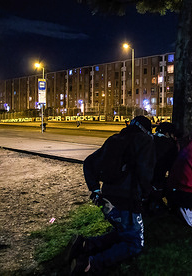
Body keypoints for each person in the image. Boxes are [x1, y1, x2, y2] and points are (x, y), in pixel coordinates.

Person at [67, 115, 156, 274]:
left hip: (107, 199)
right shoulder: (145, 141)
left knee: (123, 232)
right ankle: (89, 264)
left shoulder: (115, 139)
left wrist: (94, 189)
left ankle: (85, 245)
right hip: (127, 200)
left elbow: (89, 162)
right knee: (135, 243)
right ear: (147, 130)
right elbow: (145, 173)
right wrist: (147, 195)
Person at [147, 122, 179, 215]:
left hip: (142, 179)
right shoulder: (169, 145)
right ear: (167, 133)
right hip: (156, 181)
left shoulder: (149, 140)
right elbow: (172, 168)